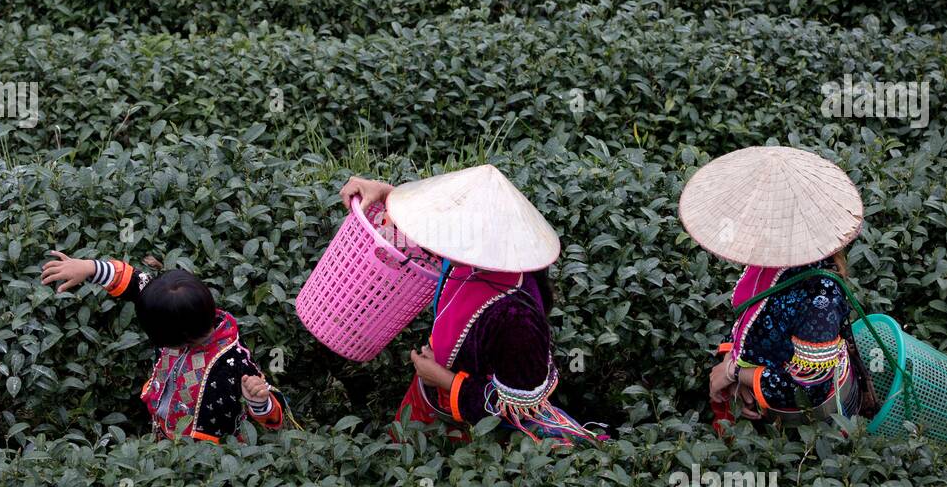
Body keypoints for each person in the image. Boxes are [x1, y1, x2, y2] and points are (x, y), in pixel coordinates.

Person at [339, 164, 606, 444]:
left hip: (478, 434)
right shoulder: (468, 254)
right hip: (431, 393)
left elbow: (514, 410)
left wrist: (445, 380)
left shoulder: (517, 319)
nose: (438, 239)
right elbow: (429, 235)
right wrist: (385, 194)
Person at [677, 146, 876, 428]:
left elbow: (808, 388)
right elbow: (752, 321)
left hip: (812, 424)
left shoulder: (821, 297)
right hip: (758, 390)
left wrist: (735, 373)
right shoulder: (769, 258)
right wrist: (737, 373)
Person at [40, 252, 285, 443]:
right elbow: (135, 283)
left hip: (205, 452)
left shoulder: (233, 362)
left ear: (179, 339)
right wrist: (89, 268)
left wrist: (257, 401)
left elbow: (273, 416)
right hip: (162, 431)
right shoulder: (173, 307)